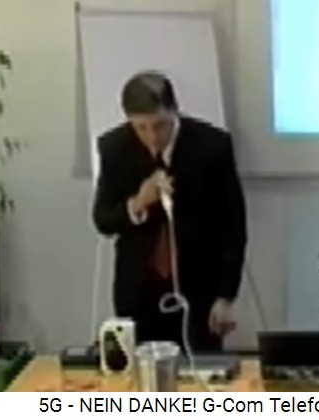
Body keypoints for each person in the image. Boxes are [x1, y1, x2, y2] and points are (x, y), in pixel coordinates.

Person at [93, 71, 247, 352]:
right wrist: (138, 202)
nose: (152, 137)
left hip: (200, 290)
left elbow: (233, 227)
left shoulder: (212, 146)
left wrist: (226, 297)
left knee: (201, 370)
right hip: (138, 292)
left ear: (175, 111)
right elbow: (103, 220)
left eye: (160, 125)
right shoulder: (114, 149)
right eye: (141, 128)